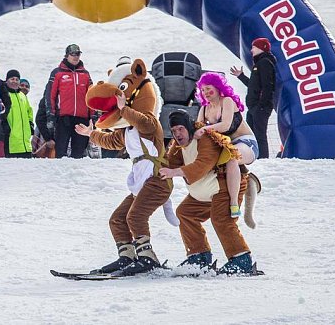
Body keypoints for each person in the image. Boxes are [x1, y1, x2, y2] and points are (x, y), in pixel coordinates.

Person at [74, 59, 178, 277]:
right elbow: (111, 141)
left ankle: (148, 257)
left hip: (158, 180)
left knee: (135, 217)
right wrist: (90, 135)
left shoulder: (150, 123)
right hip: (142, 182)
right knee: (117, 218)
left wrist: (124, 109)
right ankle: (127, 256)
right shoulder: (128, 130)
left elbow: (144, 121)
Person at [159, 110, 259, 275]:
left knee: (221, 219)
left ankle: (242, 260)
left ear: (189, 127)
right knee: (185, 213)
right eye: (174, 130)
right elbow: (170, 163)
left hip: (224, 185)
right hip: (203, 192)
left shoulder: (205, 138)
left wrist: (174, 172)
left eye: (181, 129)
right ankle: (199, 257)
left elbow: (202, 165)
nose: (177, 134)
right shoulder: (178, 146)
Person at [196, 72, 259, 218]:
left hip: (245, 142)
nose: (205, 93)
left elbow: (225, 125)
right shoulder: (204, 109)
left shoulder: (227, 101)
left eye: (208, 88)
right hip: (224, 145)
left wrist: (203, 129)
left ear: (218, 87)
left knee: (232, 158)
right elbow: (197, 129)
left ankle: (233, 203)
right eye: (203, 90)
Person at [230, 37, 276, 159]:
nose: (251, 50)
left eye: (254, 47)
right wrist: (241, 76)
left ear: (262, 48)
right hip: (253, 107)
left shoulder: (265, 62)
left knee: (260, 135)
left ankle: (264, 159)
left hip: (259, 107)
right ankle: (255, 157)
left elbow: (268, 86)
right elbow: (253, 85)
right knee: (251, 135)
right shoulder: (259, 64)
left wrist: (261, 105)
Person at [44, 43, 93, 158]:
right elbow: (50, 95)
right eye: (73, 54)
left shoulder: (85, 74)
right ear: (67, 55)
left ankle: (77, 174)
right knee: (61, 151)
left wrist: (93, 116)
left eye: (78, 54)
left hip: (82, 118)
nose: (76, 56)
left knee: (79, 152)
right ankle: (59, 174)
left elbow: (91, 96)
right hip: (63, 118)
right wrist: (50, 115)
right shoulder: (57, 73)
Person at [3, 69, 34, 158]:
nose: (15, 81)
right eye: (12, 79)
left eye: (17, 79)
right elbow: (1, 112)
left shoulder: (22, 96)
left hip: (26, 144)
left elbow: (29, 111)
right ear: (7, 80)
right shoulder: (5, 94)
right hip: (11, 142)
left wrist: (30, 124)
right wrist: (4, 126)